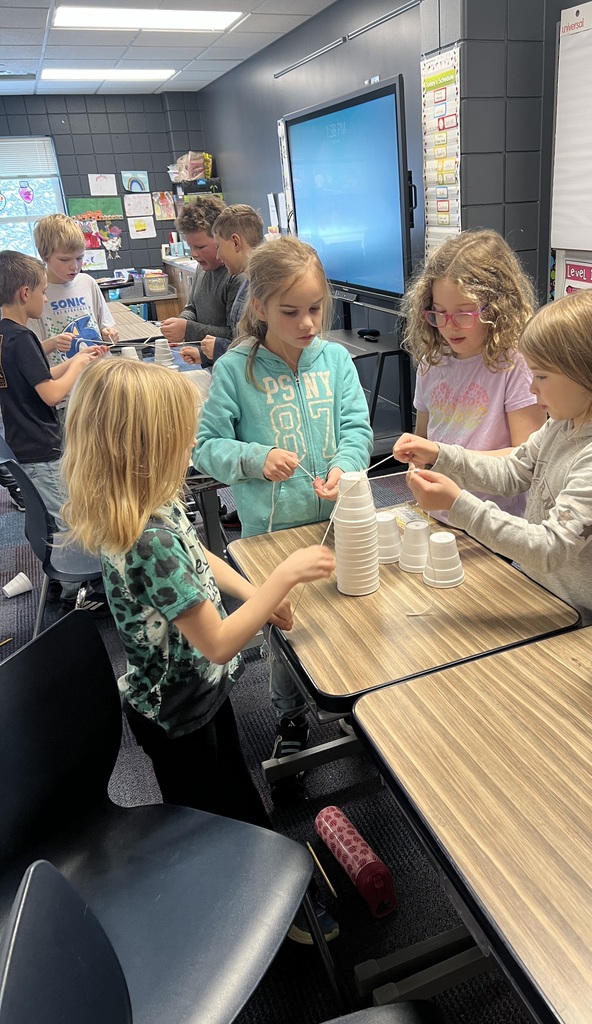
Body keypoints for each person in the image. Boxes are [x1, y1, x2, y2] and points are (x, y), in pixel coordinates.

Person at [61, 357, 339, 943]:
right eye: (180, 441)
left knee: (234, 792)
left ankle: (258, 881)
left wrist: (254, 592)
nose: (190, 451)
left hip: (194, 697)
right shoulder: (148, 538)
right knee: (217, 817)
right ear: (145, 448)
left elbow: (201, 559)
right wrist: (279, 580)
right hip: (178, 711)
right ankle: (252, 915)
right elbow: (215, 643)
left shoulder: (150, 503)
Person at [193, 235, 373, 797]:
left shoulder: (337, 361)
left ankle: (352, 703)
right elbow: (206, 445)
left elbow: (357, 432)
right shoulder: (235, 369)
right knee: (284, 628)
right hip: (271, 533)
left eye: (316, 308)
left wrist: (344, 468)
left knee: (348, 618)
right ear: (259, 309)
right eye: (291, 312)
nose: (308, 323)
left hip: (337, 525)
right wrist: (253, 457)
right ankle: (290, 715)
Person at [393, 288, 592, 624]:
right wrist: (440, 454)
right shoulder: (565, 423)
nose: (532, 388)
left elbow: (550, 548)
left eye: (540, 376)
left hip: (578, 621)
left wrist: (457, 504)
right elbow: (512, 472)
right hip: (539, 593)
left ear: (586, 375)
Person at [401, 229, 546, 520]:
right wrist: (415, 463)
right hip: (439, 515)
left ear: (497, 309)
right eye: (439, 312)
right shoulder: (433, 360)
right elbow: (424, 437)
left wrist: (440, 455)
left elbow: (526, 459)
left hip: (495, 522)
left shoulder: (514, 364)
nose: (448, 325)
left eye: (464, 314)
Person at [0, 250, 108, 606]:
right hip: (42, 448)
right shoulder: (22, 337)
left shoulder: (4, 337)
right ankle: (84, 586)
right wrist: (77, 364)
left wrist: (76, 359)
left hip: (23, 443)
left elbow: (39, 379)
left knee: (61, 510)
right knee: (69, 518)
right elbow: (51, 394)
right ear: (24, 293)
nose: (46, 299)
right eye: (44, 292)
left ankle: (73, 583)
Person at [180, 203, 264, 369]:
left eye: (218, 246)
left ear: (235, 242)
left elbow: (264, 350)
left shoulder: (261, 285)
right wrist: (206, 354)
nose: (218, 255)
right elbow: (242, 340)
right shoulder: (248, 280)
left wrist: (218, 348)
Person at [28, 213, 120, 364]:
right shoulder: (35, 293)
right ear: (44, 255)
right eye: (64, 259)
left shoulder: (87, 282)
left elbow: (105, 325)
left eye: (79, 258)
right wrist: (52, 343)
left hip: (98, 369)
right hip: (64, 378)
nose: (74, 266)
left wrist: (109, 333)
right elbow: (30, 352)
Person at [158, 195, 240, 349]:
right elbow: (192, 308)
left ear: (219, 238)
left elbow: (235, 336)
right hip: (202, 355)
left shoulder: (236, 277)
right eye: (191, 247)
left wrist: (187, 329)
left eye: (200, 247)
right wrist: (179, 323)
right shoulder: (201, 267)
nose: (194, 254)